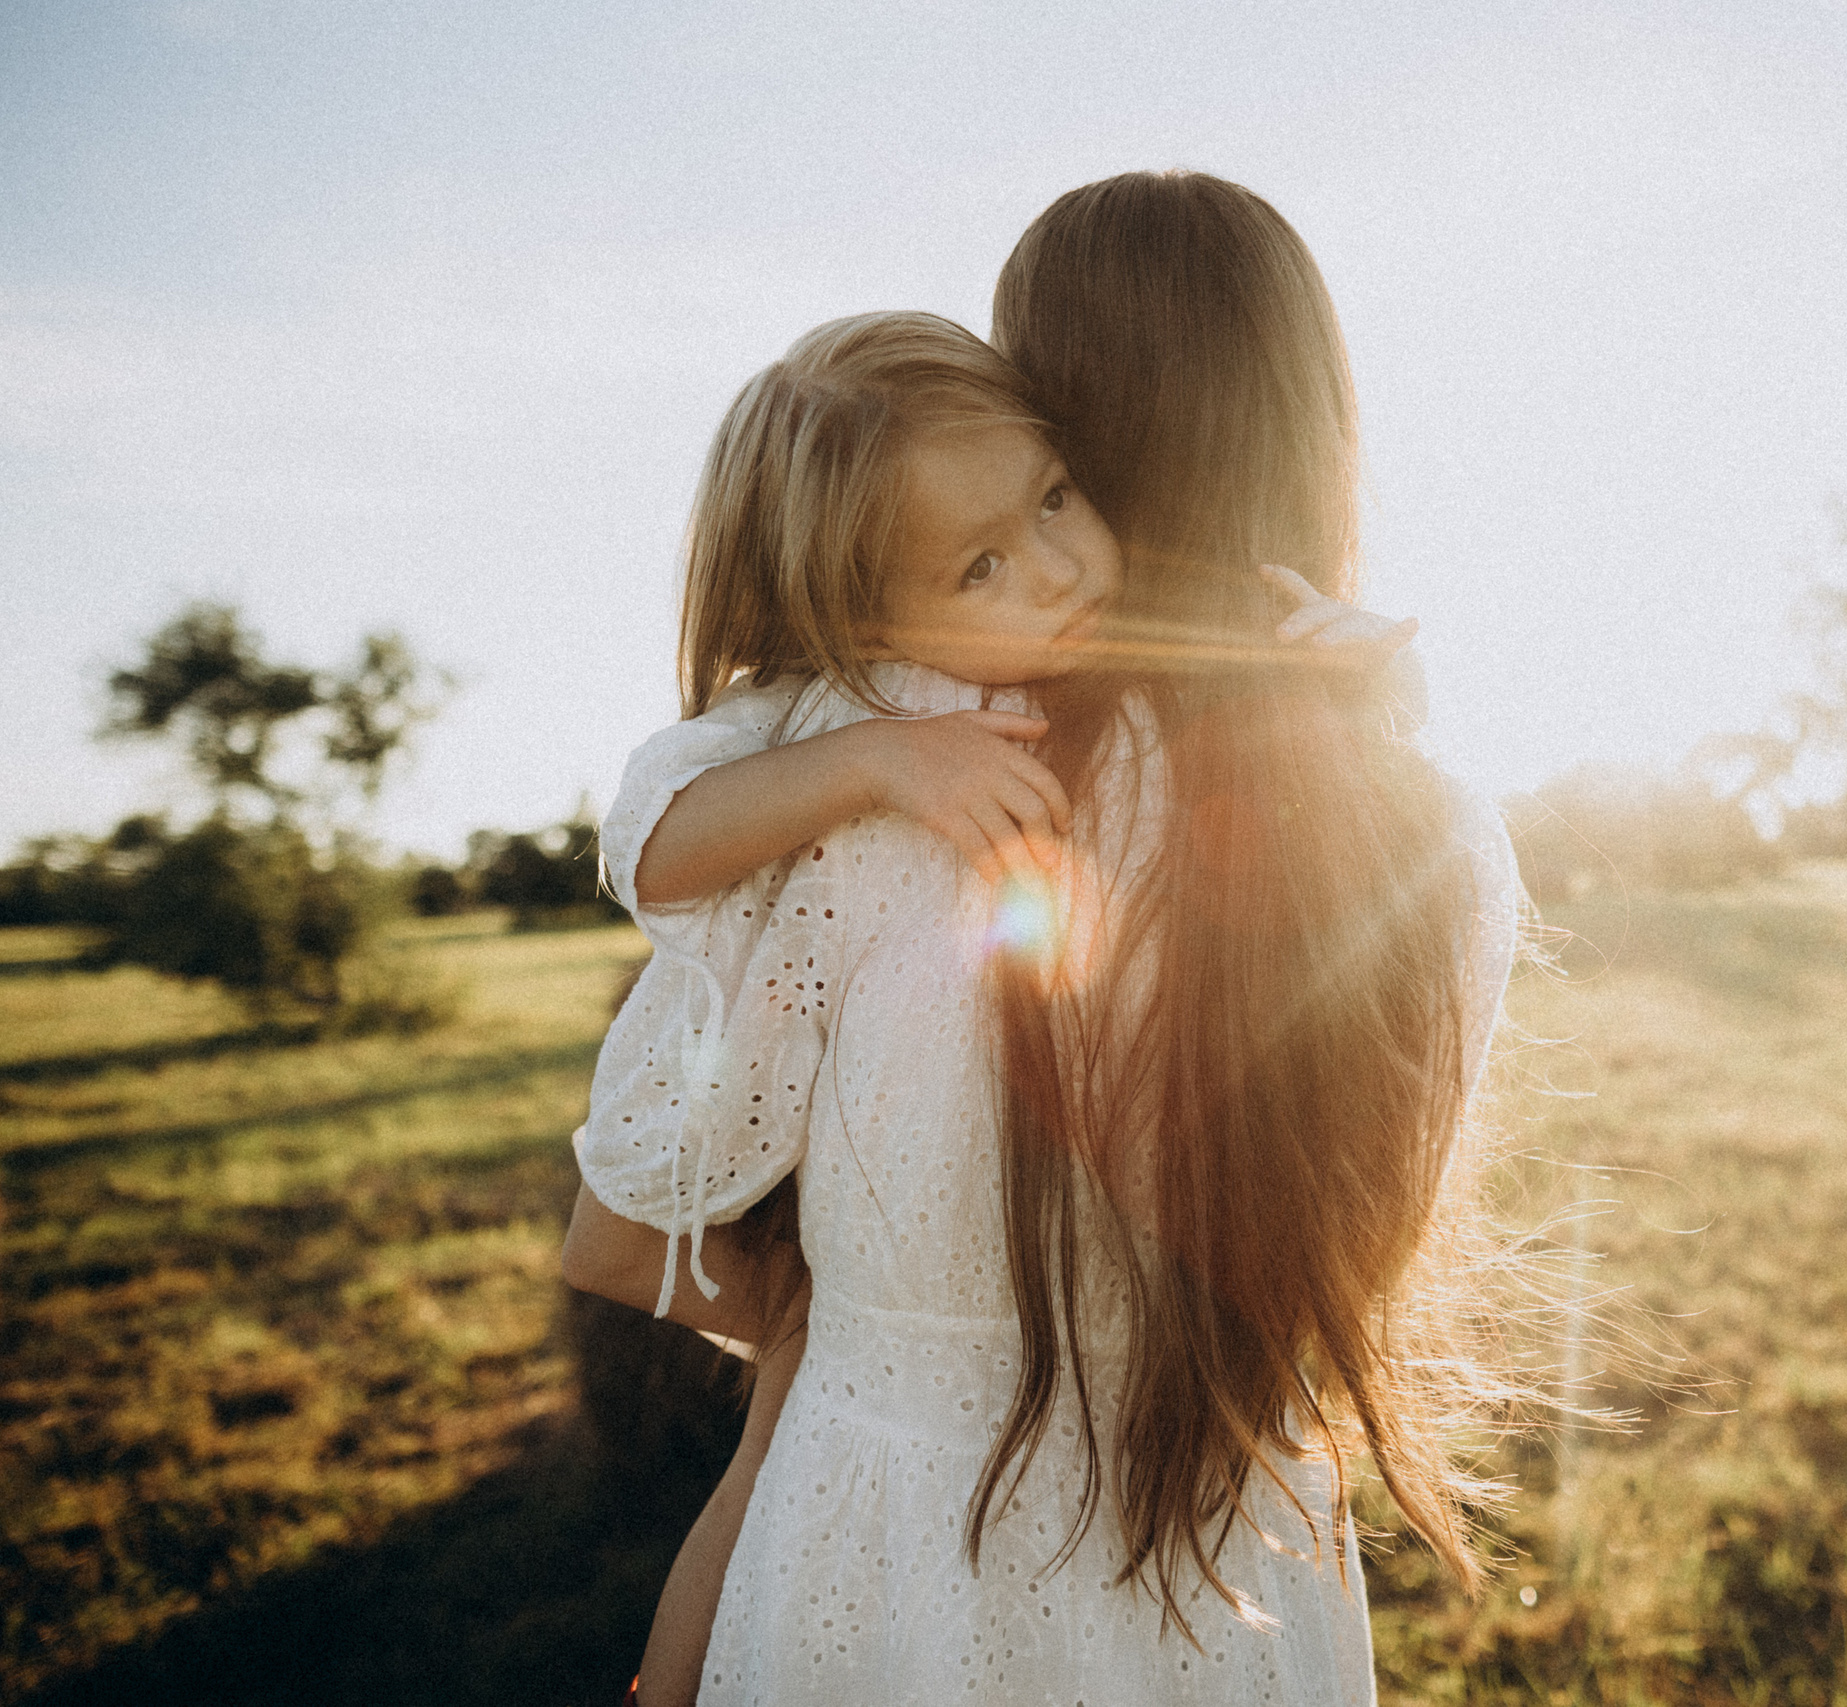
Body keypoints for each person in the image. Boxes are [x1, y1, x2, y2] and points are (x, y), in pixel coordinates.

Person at [565, 172, 1522, 1707]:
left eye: (1056, 498)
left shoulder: (873, 786)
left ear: (1058, 412)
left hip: (880, 1562)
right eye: (984, 557)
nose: (1052, 561)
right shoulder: (1422, 835)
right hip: (1230, 1590)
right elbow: (1351, 1268)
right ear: (1326, 427)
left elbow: (620, 1237)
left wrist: (846, 1356)